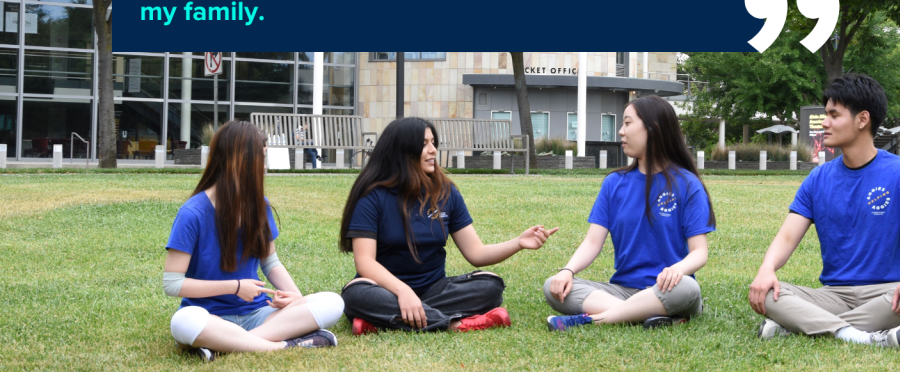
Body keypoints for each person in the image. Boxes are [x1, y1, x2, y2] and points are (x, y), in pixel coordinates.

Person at [749, 74, 900, 351]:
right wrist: (766, 269)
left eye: (833, 115)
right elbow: (787, 237)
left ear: (862, 120)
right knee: (766, 293)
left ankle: (800, 325)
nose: (824, 122)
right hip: (833, 294)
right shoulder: (818, 178)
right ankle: (857, 335)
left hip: (889, 291)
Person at [339, 116, 558, 334]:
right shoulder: (372, 196)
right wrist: (403, 292)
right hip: (386, 290)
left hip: (435, 291)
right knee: (355, 295)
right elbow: (365, 262)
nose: (433, 149)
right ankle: (453, 324)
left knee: (491, 286)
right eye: (424, 144)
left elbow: (477, 253)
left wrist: (519, 242)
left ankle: (383, 321)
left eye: (433, 142)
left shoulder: (446, 193)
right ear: (402, 150)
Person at [164, 120, 345, 361]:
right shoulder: (192, 212)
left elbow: (270, 263)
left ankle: (228, 344)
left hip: (260, 314)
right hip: (210, 316)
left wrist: (295, 298)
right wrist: (236, 287)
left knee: (332, 302)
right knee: (183, 322)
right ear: (241, 161)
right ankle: (281, 346)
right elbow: (173, 283)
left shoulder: (260, 206)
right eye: (261, 158)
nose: (265, 166)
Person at [543, 95, 715, 331]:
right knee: (554, 286)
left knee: (689, 288)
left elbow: (700, 253)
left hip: (668, 289)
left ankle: (592, 319)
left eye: (627, 123)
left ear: (652, 129)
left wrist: (677, 270)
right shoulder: (614, 183)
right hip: (622, 291)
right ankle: (644, 315)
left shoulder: (687, 184)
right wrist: (567, 270)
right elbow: (593, 243)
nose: (621, 132)